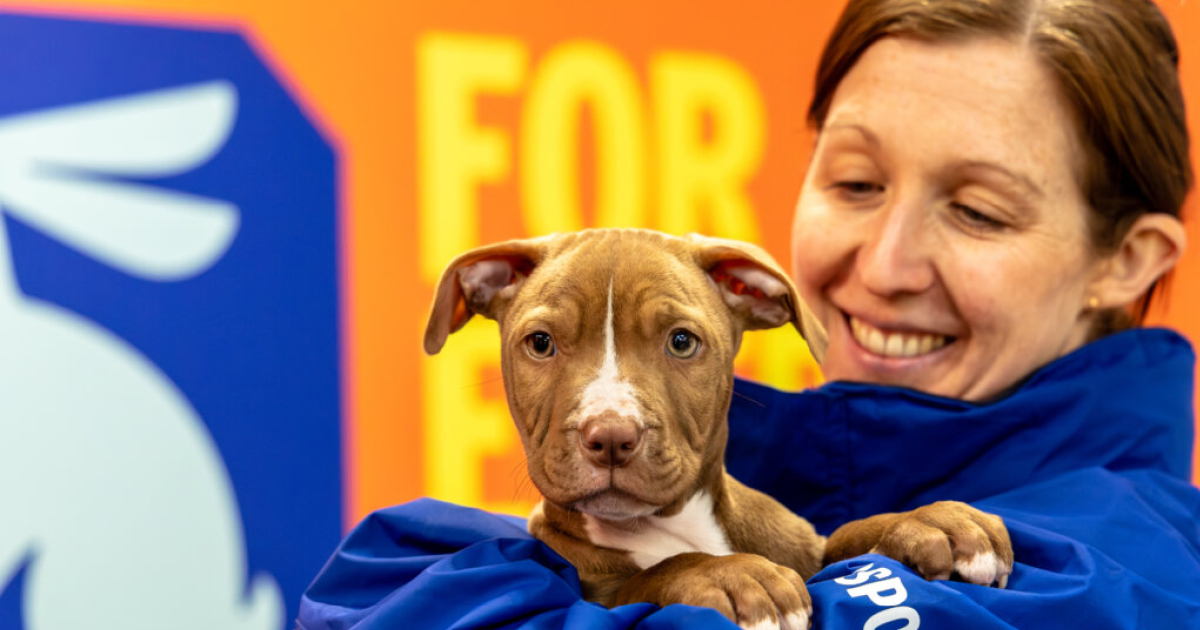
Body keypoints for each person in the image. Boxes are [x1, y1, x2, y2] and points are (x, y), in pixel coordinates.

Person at [297, 0, 1200, 627]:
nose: (883, 266)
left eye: (978, 211)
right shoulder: (780, 483)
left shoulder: (1121, 571)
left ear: (1126, 264)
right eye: (855, 182)